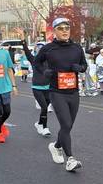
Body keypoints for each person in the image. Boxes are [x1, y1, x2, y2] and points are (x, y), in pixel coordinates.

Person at [34, 18, 87, 172]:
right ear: (54, 31)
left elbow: (85, 65)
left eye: (67, 28)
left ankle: (56, 146)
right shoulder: (48, 49)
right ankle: (70, 159)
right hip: (57, 92)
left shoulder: (77, 48)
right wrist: (46, 72)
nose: (64, 31)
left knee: (68, 126)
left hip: (73, 92)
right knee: (65, 125)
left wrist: (80, 68)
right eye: (60, 28)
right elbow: (36, 63)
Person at [22, 39, 51, 137]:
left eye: (42, 48)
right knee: (44, 108)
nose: (40, 50)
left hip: (48, 88)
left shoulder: (50, 61)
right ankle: (45, 127)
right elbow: (26, 51)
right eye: (38, 48)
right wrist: (23, 40)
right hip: (37, 88)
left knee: (45, 108)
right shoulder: (33, 59)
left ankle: (39, 124)